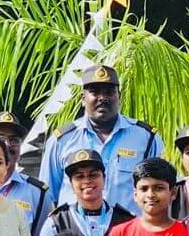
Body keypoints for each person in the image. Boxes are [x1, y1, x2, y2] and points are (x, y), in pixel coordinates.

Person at [41, 65, 164, 215]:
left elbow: (161, 190)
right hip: (76, 232)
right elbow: (47, 198)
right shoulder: (61, 140)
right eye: (95, 92)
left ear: (119, 97)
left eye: (109, 92)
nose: (102, 98)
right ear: (83, 99)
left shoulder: (146, 138)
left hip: (128, 231)